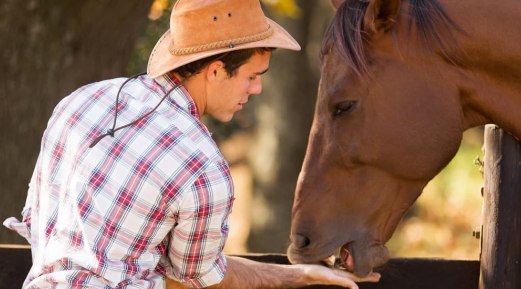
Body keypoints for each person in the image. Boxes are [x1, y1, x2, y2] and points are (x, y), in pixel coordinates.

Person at [4, 0, 380, 288]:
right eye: (252, 76)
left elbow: (42, 224)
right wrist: (295, 277)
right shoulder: (201, 166)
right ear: (215, 70)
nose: (257, 89)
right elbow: (201, 278)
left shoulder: (80, 102)